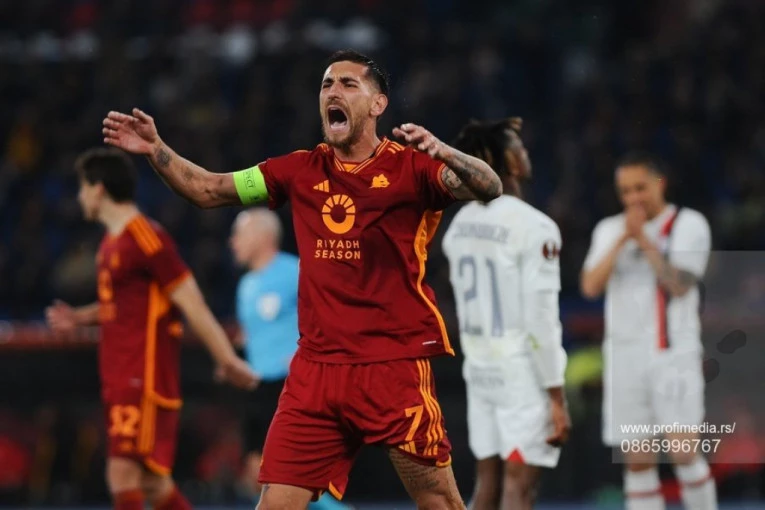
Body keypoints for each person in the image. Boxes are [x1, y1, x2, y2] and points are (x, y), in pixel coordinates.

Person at [102, 49, 502, 509]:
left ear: (378, 104)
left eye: (348, 84)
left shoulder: (412, 168)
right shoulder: (298, 170)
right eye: (327, 84)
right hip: (315, 373)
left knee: (437, 500)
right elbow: (208, 189)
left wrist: (445, 151)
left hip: (391, 365)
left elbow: (488, 187)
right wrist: (156, 150)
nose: (333, 91)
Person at [46, 148, 258, 510]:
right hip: (121, 376)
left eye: (82, 187)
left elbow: (190, 300)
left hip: (142, 378)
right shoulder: (111, 244)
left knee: (121, 475)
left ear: (98, 189)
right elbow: (121, 305)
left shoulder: (145, 237)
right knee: (154, 485)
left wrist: (226, 358)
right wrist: (78, 317)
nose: (80, 197)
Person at [442, 118, 571, 510]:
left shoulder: (460, 224)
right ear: (507, 161)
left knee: (487, 484)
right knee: (519, 489)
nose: (525, 152)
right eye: (519, 147)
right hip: (521, 374)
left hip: (480, 369)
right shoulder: (535, 227)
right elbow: (540, 319)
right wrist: (556, 395)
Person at [580, 152, 716, 510]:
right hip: (624, 358)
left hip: (673, 356)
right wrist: (623, 239)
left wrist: (643, 240)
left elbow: (680, 285)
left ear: (660, 184)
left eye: (640, 188)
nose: (633, 198)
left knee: (684, 452)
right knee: (638, 461)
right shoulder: (609, 229)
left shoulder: (688, 224)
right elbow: (590, 286)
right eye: (625, 191)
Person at [230, 209, 351, 510]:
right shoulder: (246, 285)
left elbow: (330, 313)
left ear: (262, 236)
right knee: (254, 475)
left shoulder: (294, 271)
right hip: (257, 387)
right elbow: (255, 331)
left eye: (239, 234)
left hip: (289, 385)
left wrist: (303, 355)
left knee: (286, 477)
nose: (233, 242)